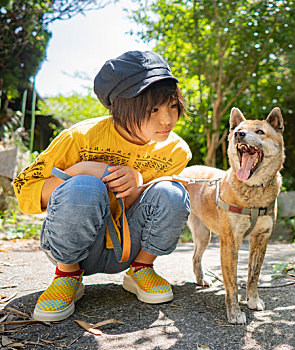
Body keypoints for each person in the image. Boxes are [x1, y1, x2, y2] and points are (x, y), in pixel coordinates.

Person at [12, 50, 192, 322]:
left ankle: (141, 269)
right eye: (153, 109)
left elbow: (156, 205)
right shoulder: (80, 137)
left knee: (172, 191)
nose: (167, 120)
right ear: (120, 106)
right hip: (75, 247)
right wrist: (82, 171)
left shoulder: (176, 151)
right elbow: (25, 193)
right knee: (85, 186)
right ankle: (67, 276)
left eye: (172, 106)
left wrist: (139, 182)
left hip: (130, 247)